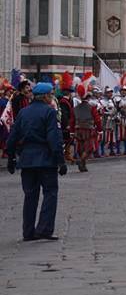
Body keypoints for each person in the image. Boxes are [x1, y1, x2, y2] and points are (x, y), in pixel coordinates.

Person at [5, 82, 67, 241]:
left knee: (30, 196)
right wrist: (61, 161)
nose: (51, 97)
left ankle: (28, 231)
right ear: (46, 96)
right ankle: (44, 229)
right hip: (46, 159)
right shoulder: (49, 112)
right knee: (50, 194)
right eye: (51, 95)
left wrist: (11, 158)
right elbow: (53, 138)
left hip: (27, 159)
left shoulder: (23, 113)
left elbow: (12, 138)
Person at [72, 88, 101, 172]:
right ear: (88, 98)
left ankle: (83, 166)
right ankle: (81, 160)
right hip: (88, 129)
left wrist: (71, 131)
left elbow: (72, 120)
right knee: (89, 148)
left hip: (78, 129)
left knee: (81, 148)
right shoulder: (92, 108)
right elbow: (97, 119)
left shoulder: (75, 108)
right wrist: (100, 129)